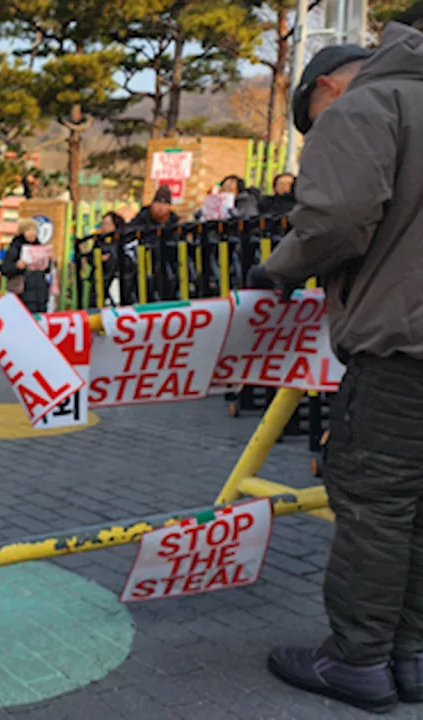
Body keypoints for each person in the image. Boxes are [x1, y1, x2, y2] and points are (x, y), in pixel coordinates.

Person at [246, 12, 423, 713]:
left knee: (377, 502)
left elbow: (337, 220)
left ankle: (357, 659)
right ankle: (408, 655)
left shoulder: (366, 109)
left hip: (399, 348)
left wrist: (279, 267)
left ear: (327, 90)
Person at [2, 219, 53, 313]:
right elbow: (5, 269)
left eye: (34, 230)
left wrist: (49, 261)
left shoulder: (39, 247)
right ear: (22, 232)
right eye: (28, 230)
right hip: (23, 293)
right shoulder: (15, 247)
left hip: (40, 294)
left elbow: (46, 270)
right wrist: (17, 266)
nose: (32, 233)